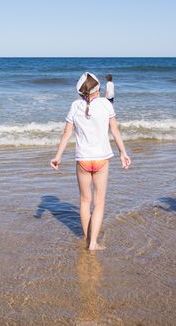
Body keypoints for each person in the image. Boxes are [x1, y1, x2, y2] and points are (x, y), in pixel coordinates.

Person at [50, 72, 131, 250]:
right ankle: (93, 243)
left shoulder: (75, 106)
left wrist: (58, 156)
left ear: (80, 93)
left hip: (83, 161)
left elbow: (66, 133)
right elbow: (115, 130)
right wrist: (122, 153)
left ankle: (87, 239)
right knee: (99, 202)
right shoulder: (106, 104)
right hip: (102, 160)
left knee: (85, 201)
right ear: (99, 90)